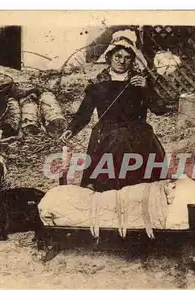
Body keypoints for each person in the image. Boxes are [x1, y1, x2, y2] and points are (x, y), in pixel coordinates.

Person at [59, 29, 174, 192]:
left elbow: (159, 109)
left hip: (138, 133)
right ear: (109, 57)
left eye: (127, 58)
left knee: (146, 186)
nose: (122, 61)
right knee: (109, 169)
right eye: (118, 57)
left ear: (133, 60)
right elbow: (84, 113)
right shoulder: (98, 82)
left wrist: (146, 89)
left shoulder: (139, 81)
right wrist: (71, 129)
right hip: (107, 133)